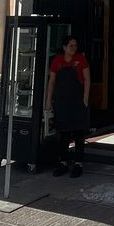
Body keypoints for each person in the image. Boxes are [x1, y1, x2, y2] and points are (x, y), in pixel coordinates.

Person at [45, 36, 90, 177]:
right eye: (71, 45)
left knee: (78, 134)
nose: (73, 48)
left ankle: (78, 163)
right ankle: (63, 162)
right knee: (63, 134)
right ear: (64, 47)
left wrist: (85, 98)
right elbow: (52, 81)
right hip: (62, 103)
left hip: (77, 102)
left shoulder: (81, 60)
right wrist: (48, 100)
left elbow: (87, 79)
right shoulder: (57, 61)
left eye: (75, 45)